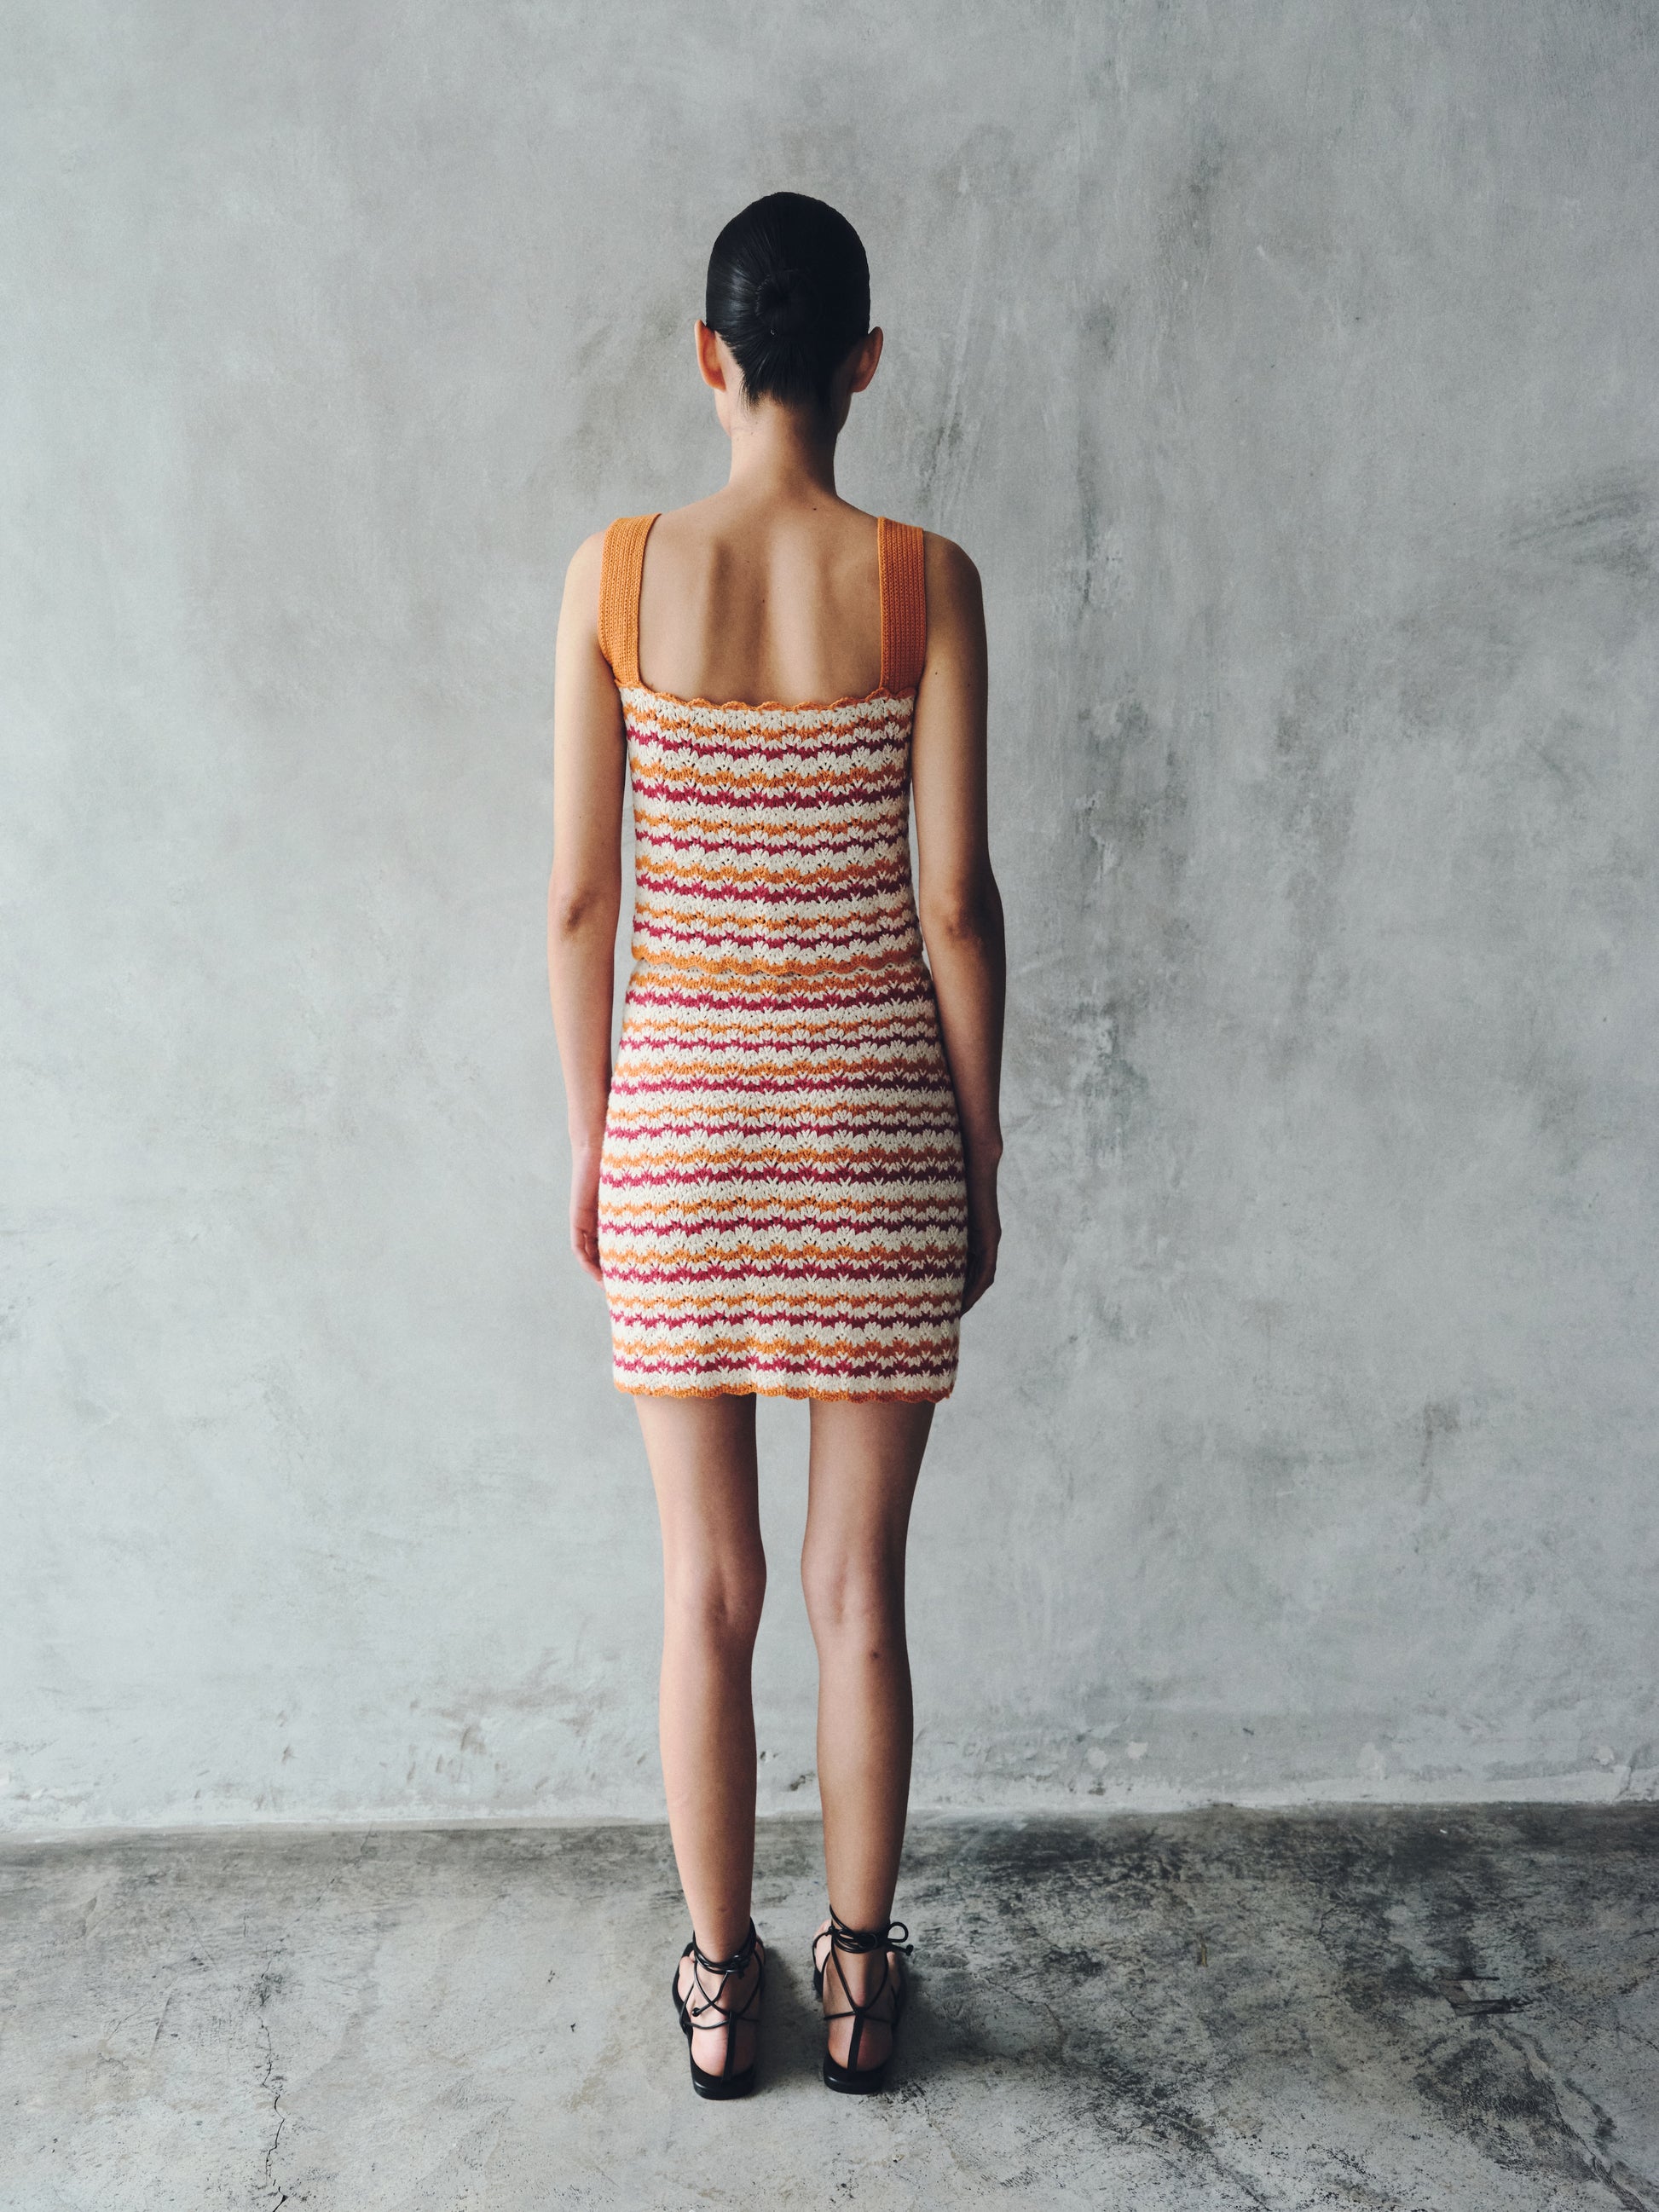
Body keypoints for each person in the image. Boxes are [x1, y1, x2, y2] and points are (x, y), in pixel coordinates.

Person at [547, 191, 1005, 2099]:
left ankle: (720, 1986)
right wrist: (978, 1155)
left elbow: (581, 905)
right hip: (872, 1134)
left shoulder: (615, 574)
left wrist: (601, 1146)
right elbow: (954, 904)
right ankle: (861, 1983)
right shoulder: (923, 580)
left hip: (679, 1132)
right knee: (853, 1595)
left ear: (708, 356)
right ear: (866, 363)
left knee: (704, 1592)